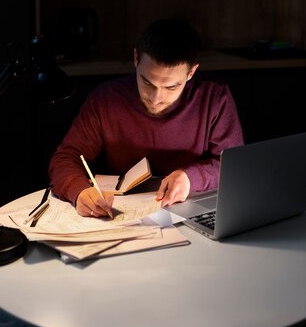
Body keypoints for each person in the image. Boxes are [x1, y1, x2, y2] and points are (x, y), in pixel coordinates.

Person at [49, 19, 244, 217]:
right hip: (121, 215)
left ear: (191, 72)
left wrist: (191, 177)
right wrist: (80, 191)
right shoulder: (106, 100)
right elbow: (65, 158)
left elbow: (235, 165)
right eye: (147, 82)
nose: (156, 98)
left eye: (171, 87)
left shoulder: (214, 98)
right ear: (136, 59)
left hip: (192, 211)